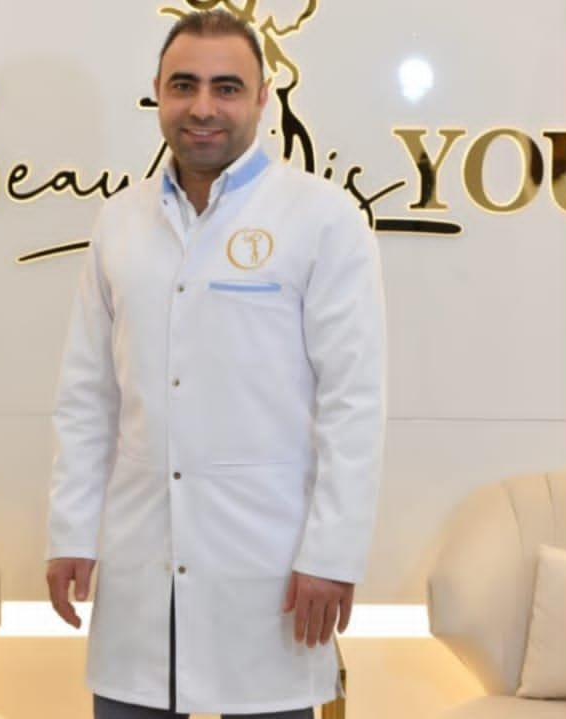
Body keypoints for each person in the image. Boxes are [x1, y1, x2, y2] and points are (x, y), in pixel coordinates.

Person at [45, 9, 385, 718]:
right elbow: (88, 395)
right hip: (141, 566)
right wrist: (71, 532)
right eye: (184, 85)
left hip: (269, 569)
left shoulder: (321, 217)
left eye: (226, 87)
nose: (203, 107)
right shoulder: (120, 221)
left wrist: (333, 554)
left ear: (262, 97)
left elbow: (353, 401)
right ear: (157, 93)